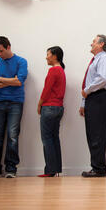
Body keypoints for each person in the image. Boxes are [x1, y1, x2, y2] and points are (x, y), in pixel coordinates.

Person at [0, 36, 28, 178]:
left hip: (16, 102)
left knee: (13, 135)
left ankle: (11, 169)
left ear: (8, 47)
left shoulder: (21, 61)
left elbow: (19, 81)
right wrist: (10, 80)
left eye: (1, 51)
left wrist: (0, 79)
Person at [79, 35, 106, 178]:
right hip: (93, 98)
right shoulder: (95, 60)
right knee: (92, 134)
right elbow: (89, 81)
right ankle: (96, 167)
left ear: (101, 44)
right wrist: (83, 102)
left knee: (97, 135)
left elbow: (103, 78)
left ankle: (99, 169)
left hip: (99, 97)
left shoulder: (104, 58)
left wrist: (87, 91)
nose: (91, 43)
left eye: (94, 41)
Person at [37, 46, 66, 177]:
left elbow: (46, 90)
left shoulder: (53, 70)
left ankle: (50, 170)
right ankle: (55, 169)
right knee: (54, 138)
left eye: (48, 54)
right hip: (59, 108)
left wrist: (39, 104)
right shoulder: (61, 70)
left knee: (47, 139)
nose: (46, 57)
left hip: (49, 107)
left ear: (55, 56)